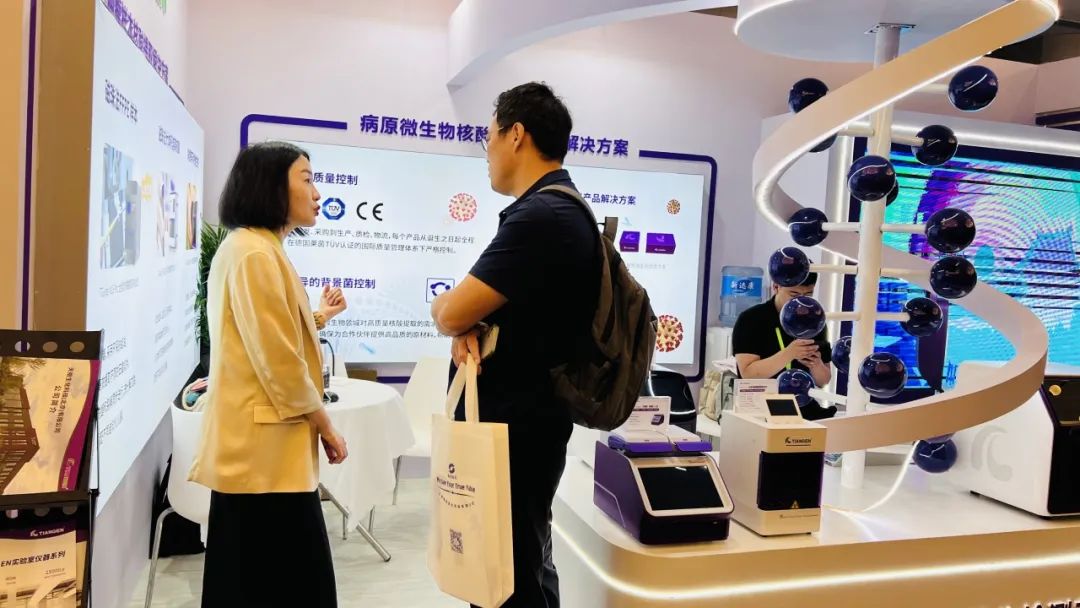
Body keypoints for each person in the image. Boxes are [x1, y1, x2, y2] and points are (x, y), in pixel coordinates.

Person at [430, 82, 600, 608]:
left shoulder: (542, 216)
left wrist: (457, 319)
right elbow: (485, 313)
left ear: (516, 134)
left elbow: (449, 310)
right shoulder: (558, 211)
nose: (487, 151)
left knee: (509, 574)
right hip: (527, 423)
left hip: (518, 428)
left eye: (490, 137)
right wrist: (471, 325)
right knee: (520, 560)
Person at [189, 141, 350, 607]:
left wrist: (319, 317)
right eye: (306, 179)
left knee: (252, 578)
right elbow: (278, 358)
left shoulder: (256, 248)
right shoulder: (255, 253)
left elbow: (268, 333)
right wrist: (326, 425)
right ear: (270, 186)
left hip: (261, 454)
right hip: (262, 456)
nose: (317, 193)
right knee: (288, 583)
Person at [731, 270, 836, 420]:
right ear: (776, 286)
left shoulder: (815, 322)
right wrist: (789, 353)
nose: (801, 303)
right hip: (761, 409)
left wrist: (816, 364)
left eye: (808, 295)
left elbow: (823, 381)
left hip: (803, 409)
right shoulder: (751, 319)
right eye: (794, 294)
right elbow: (748, 374)